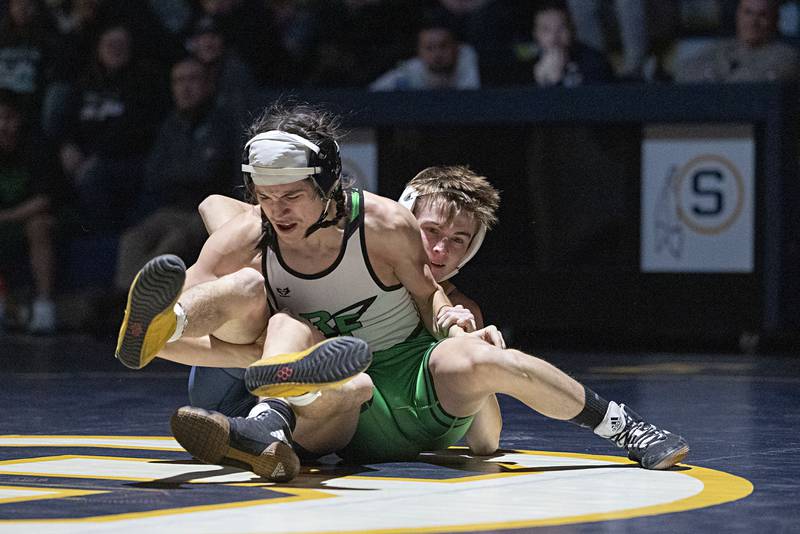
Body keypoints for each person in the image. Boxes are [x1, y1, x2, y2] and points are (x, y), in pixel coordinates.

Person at [115, 102, 689, 483]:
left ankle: (625, 426)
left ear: (326, 185)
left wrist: (452, 323)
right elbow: (218, 219)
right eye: (266, 197)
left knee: (460, 359)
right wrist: (173, 325)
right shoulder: (257, 227)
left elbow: (435, 304)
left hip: (373, 385)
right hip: (283, 374)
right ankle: (251, 396)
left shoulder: (389, 231)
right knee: (279, 317)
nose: (277, 211)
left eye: (290, 196)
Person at [184, 165, 501, 436]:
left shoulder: (456, 312)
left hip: (306, 411)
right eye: (431, 231)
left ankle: (251, 432)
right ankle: (183, 322)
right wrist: (255, 249)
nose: (439, 250)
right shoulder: (350, 246)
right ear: (403, 221)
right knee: (251, 290)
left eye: (458, 240)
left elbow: (484, 434)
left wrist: (483, 367)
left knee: (348, 384)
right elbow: (213, 203)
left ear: (472, 249)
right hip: (229, 374)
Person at [112, 56, 239, 295]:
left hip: (208, 211)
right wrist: (188, 171)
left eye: (192, 79)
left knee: (174, 241)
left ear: (208, 84)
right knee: (132, 238)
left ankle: (140, 300)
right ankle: (125, 301)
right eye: (178, 81)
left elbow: (210, 174)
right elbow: (153, 175)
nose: (185, 87)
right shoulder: (171, 124)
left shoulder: (223, 122)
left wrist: (182, 172)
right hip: (170, 209)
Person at [0, 89, 64, 333]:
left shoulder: (37, 146)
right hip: (8, 221)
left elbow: (44, 200)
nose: (2, 125)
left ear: (18, 119)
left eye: (8, 118)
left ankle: (44, 308)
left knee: (37, 225)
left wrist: (4, 217)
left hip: (50, 218)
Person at [675, 0, 800, 83]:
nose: (753, 22)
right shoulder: (721, 49)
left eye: (762, 15)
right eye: (748, 13)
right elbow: (684, 72)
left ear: (775, 19)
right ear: (738, 16)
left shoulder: (786, 56)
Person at [369, 18, 480, 91]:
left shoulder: (468, 58)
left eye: (443, 46)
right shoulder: (410, 70)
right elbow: (373, 93)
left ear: (456, 47)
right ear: (419, 52)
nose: (437, 54)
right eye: (429, 48)